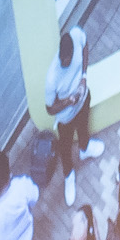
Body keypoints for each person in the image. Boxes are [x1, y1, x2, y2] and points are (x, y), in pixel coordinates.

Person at [46, 24, 92, 207]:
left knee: (84, 127)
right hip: (65, 117)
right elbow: (50, 108)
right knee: (65, 147)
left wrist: (84, 76)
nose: (66, 63)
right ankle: (68, 175)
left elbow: (86, 45)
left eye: (69, 60)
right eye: (64, 61)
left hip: (83, 99)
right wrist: (67, 102)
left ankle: (85, 149)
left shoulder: (77, 35)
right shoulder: (52, 78)